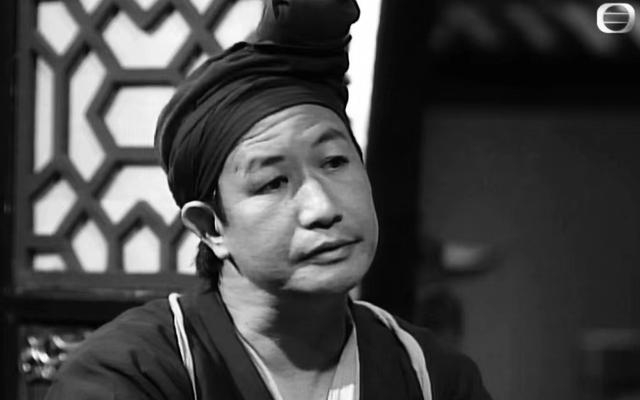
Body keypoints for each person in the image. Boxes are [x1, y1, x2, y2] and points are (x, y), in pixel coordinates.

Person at [45, 1, 492, 399]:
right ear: (211, 228)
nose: (322, 208)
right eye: (273, 183)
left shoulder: (431, 376)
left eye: (335, 162)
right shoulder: (133, 373)